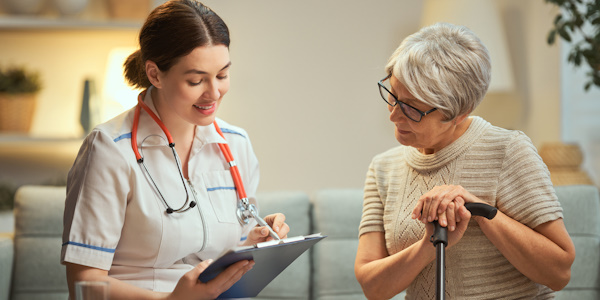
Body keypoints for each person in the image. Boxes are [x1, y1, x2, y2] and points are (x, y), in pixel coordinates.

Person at [61, 1, 290, 299]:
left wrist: (256, 241)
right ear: (155, 75)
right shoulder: (109, 149)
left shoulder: (236, 144)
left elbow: (226, 254)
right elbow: (84, 283)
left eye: (222, 75)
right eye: (196, 80)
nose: (214, 93)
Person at [354, 22, 575, 299]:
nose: (394, 116)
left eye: (412, 108)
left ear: (460, 111)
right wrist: (429, 245)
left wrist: (481, 210)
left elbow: (559, 272)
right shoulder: (383, 168)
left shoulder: (508, 150)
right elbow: (373, 288)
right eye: (394, 97)